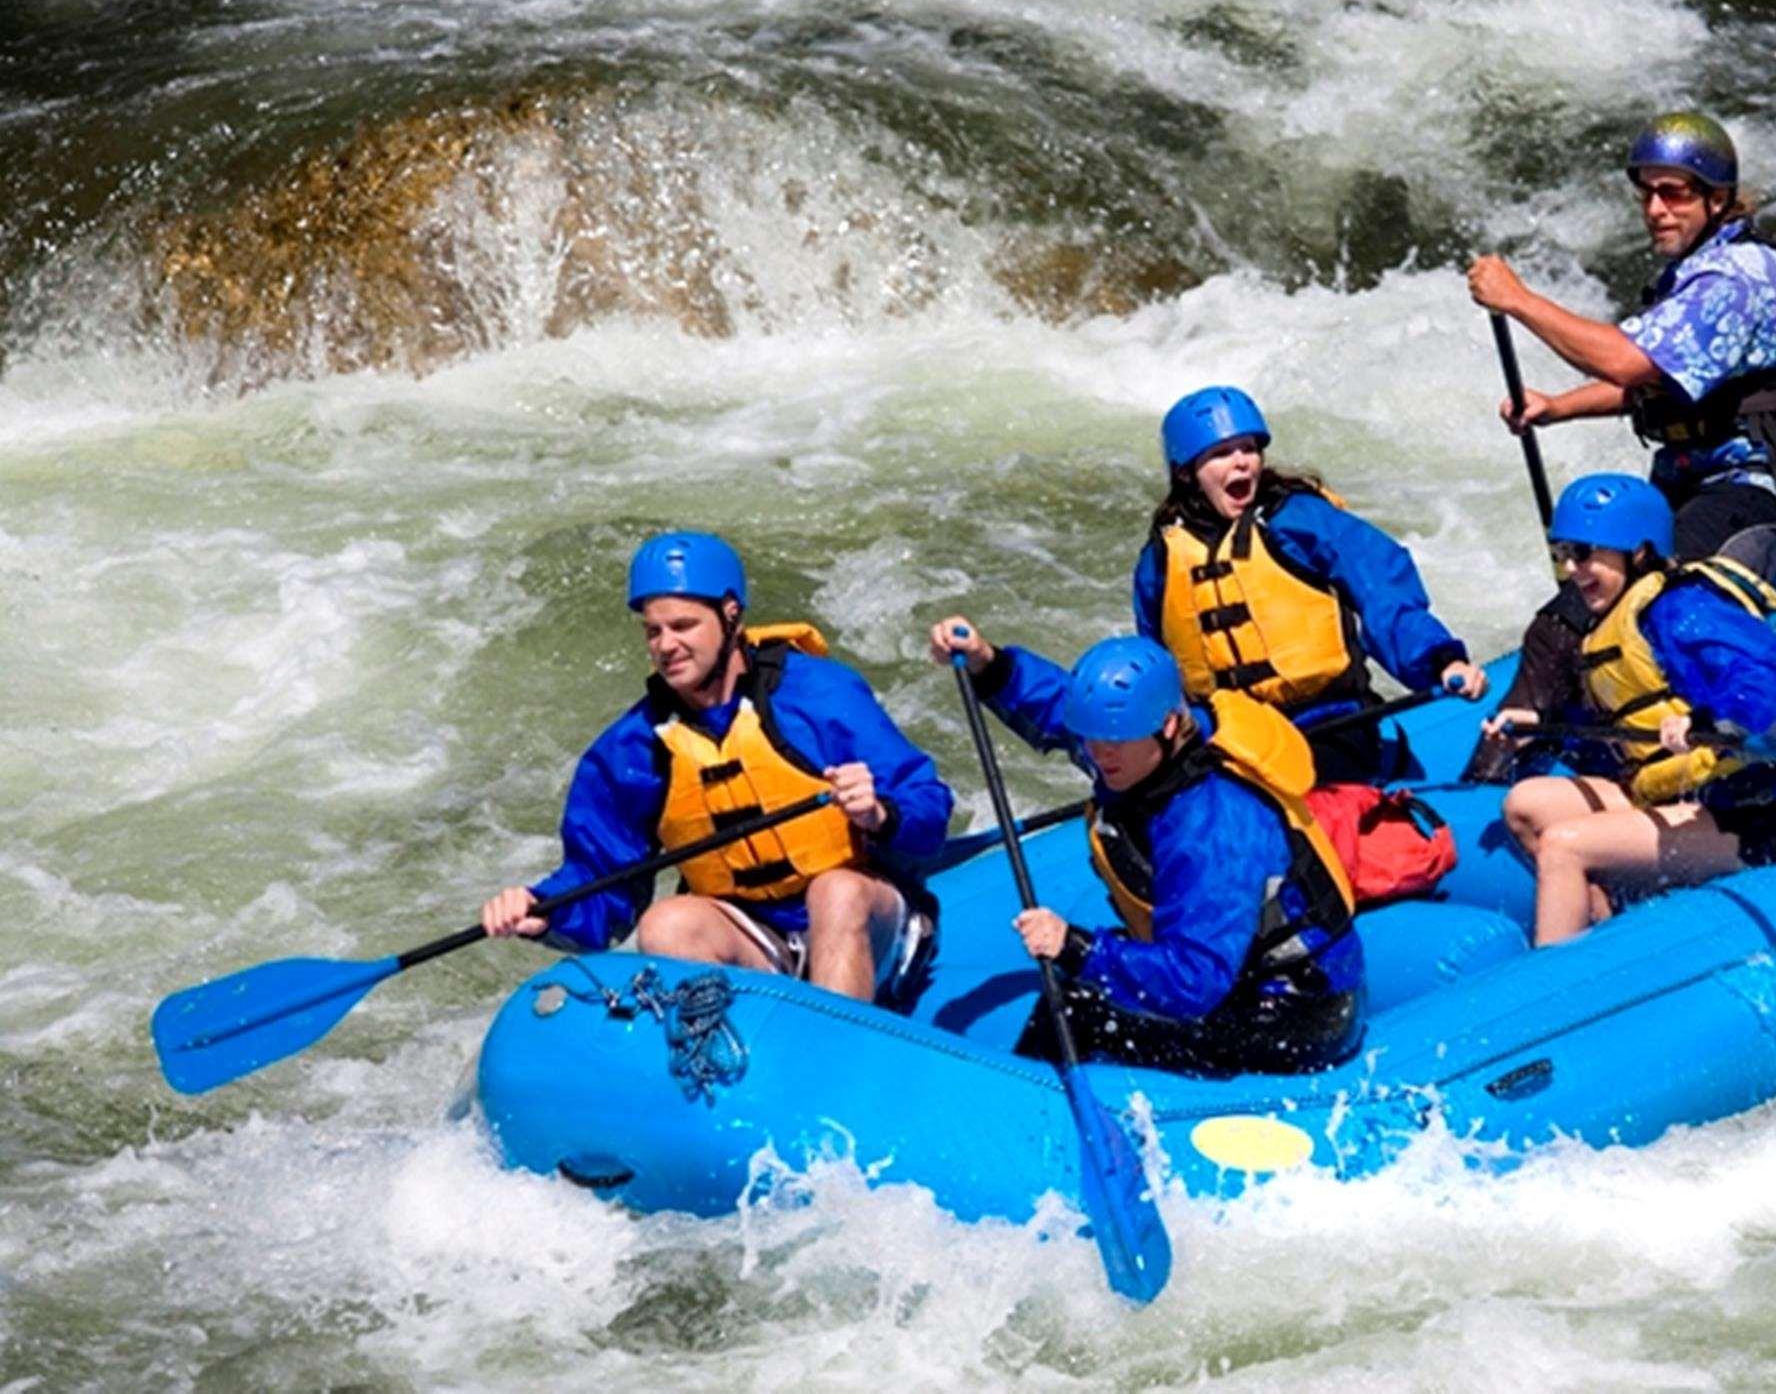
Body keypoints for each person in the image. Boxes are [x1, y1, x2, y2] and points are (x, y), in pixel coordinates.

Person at [479, 532, 953, 1002]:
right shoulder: (634, 748)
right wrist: (545, 911)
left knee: (836, 891)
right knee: (666, 923)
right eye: (653, 631)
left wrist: (879, 815)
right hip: (758, 942)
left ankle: (834, 1059)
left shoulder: (820, 695)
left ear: (731, 615)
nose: (666, 645)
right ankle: (732, 1061)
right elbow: (601, 878)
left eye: (683, 626)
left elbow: (927, 805)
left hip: (871, 924)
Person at [928, 620, 1365, 1075]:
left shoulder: (1212, 827)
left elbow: (1197, 979)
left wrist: (1078, 948)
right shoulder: (1137, 744)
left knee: (1080, 1011)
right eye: (1093, 739)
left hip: (1294, 1011)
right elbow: (1062, 708)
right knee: (1080, 982)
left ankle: (1016, 1121)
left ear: (1170, 725)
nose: (1099, 755)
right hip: (1234, 972)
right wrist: (989, 664)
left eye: (1113, 742)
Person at [1471, 475, 1776, 947]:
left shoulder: (1684, 607)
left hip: (1751, 814)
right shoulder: (1607, 623)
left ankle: (1557, 992)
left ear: (1637, 552)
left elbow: (1766, 696)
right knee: (1526, 805)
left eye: (1586, 552)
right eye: (1564, 555)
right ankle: (1603, 933)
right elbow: (1633, 726)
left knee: (1563, 847)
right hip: (1675, 795)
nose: (1573, 569)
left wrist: (1705, 723)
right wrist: (1548, 727)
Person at [1467, 111, 1776, 561]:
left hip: (1749, 490)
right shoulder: (1698, 270)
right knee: (1589, 588)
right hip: (1690, 482)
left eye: (1673, 194)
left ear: (1716, 198)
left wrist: (1519, 300)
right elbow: (1657, 381)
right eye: (1647, 195)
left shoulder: (1736, 279)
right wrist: (1558, 407)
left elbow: (1628, 362)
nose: (1655, 210)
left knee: (1650, 597)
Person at [1133, 384, 1487, 784]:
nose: (1241, 463)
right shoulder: (1161, 558)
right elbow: (1156, 660)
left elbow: (1382, 592)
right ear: (1186, 472)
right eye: (1221, 454)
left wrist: (1439, 660)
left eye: (1248, 448)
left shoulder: (1299, 520)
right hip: (1231, 734)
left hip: (1327, 719)